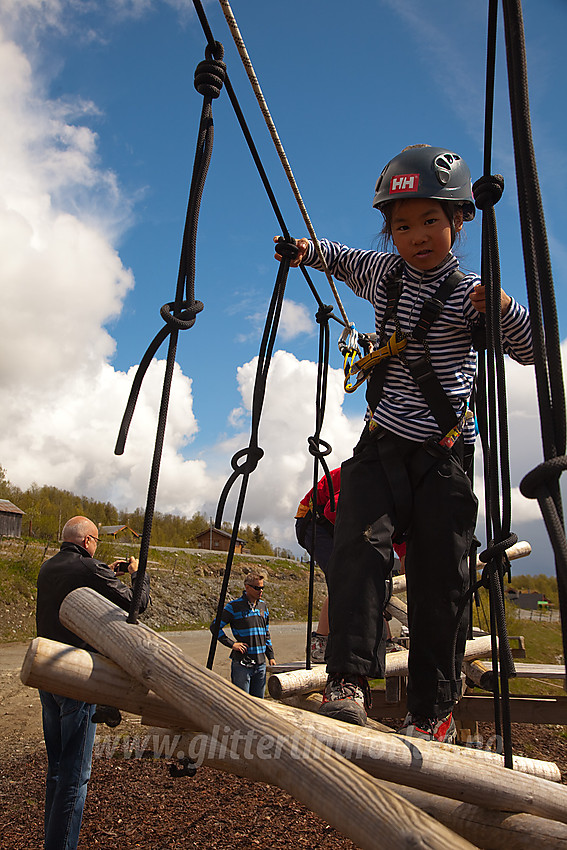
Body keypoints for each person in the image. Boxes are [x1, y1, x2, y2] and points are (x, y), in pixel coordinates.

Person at [276, 144, 533, 740]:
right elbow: (342, 258)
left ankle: (431, 710)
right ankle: (347, 683)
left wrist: (499, 308)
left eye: (430, 222)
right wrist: (306, 253)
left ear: (458, 222)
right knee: (357, 552)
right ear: (390, 232)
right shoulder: (384, 274)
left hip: (443, 455)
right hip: (382, 445)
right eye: (402, 226)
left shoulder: (472, 295)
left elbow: (532, 350)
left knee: (440, 579)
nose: (416, 236)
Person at [36, 515, 150, 850]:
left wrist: (105, 573)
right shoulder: (89, 568)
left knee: (57, 770)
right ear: (88, 541)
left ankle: (51, 841)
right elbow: (137, 604)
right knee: (76, 776)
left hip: (48, 674)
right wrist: (136, 573)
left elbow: (77, 586)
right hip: (78, 678)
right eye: (96, 542)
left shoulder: (47, 568)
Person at [295, 467, 405, 662]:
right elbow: (332, 509)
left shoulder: (401, 503)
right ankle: (320, 643)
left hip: (339, 519)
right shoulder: (374, 479)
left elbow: (403, 551)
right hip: (315, 521)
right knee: (344, 578)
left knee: (369, 577)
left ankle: (385, 641)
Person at [211, 571, 276, 697]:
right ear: (247, 587)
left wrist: (271, 656)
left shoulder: (263, 606)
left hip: (260, 664)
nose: (260, 591)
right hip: (242, 665)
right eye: (257, 588)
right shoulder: (233, 607)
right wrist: (232, 644)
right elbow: (215, 626)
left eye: (262, 588)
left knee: (258, 704)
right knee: (242, 701)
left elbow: (265, 633)